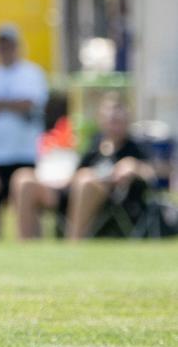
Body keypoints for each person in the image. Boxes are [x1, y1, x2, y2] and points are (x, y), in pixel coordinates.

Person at [12, 95, 153, 240]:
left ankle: (74, 240)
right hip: (72, 193)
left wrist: (136, 166)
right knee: (24, 178)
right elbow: (77, 172)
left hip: (108, 200)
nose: (113, 125)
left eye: (118, 121)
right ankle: (26, 244)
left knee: (85, 180)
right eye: (110, 120)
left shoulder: (134, 147)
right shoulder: (94, 144)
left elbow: (156, 171)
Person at [0, 23, 48, 238]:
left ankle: (31, 244)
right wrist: (7, 104)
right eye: (1, 45)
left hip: (23, 151)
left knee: (27, 201)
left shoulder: (31, 73)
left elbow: (29, 104)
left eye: (9, 44)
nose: (5, 49)